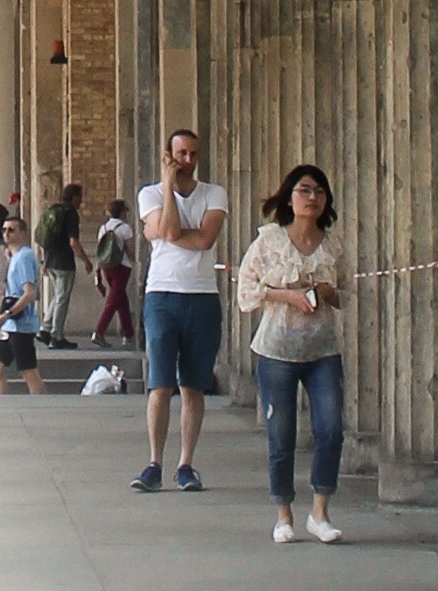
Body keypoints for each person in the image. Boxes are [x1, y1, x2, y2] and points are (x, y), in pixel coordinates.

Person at [238, 167, 349, 544]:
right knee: (281, 433)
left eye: (319, 191)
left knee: (331, 428)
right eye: (304, 190)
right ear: (289, 198)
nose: (312, 197)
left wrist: (325, 290)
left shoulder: (332, 246)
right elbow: (247, 289)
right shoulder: (270, 242)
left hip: (323, 349)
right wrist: (287, 294)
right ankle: (283, 512)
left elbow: (346, 292)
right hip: (277, 349)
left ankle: (320, 511)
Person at [132, 123, 226, 494]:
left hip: (201, 295)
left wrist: (167, 232)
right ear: (168, 157)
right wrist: (168, 190)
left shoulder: (214, 193)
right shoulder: (149, 194)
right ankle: (155, 460)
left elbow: (204, 238)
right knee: (160, 384)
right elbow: (170, 230)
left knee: (193, 386)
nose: (188, 161)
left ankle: (186, 463)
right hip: (163, 294)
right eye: (181, 154)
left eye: (193, 154)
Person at [0, 213, 43, 389]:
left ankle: (43, 406)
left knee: (28, 370)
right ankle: (0, 406)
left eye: (11, 230)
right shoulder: (15, 257)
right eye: (4, 230)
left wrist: (5, 316)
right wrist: (2, 290)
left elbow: (29, 293)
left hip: (20, 325)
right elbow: (17, 290)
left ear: (23, 233)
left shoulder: (24, 257)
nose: (6, 234)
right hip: (12, 326)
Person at [39, 182, 82, 345]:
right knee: (62, 299)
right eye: (80, 198)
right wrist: (85, 260)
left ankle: (45, 328)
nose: (81, 202)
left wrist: (45, 261)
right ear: (75, 198)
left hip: (52, 261)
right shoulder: (70, 214)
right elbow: (73, 242)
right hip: (64, 262)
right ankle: (57, 336)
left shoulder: (54, 211)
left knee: (57, 296)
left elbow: (46, 240)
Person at [93, 195, 135, 342]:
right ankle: (99, 332)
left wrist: (97, 272)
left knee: (120, 299)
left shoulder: (103, 228)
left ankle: (128, 332)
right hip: (122, 266)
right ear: (123, 212)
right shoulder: (125, 228)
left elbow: (99, 250)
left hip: (107, 267)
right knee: (113, 301)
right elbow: (130, 250)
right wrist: (134, 260)